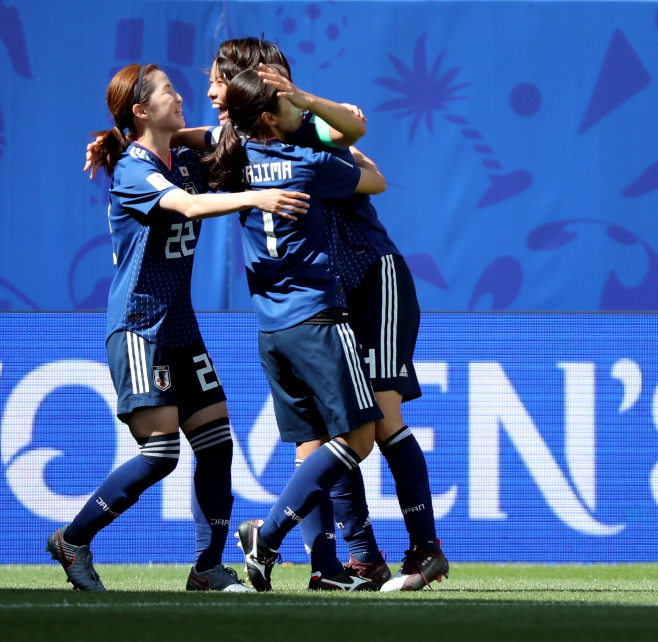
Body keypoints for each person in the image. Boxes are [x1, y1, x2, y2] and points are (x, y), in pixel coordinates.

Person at [49, 63, 310, 593]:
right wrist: (255, 197)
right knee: (162, 452)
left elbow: (225, 139)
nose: (181, 95)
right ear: (141, 110)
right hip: (140, 327)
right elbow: (190, 206)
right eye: (168, 91)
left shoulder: (184, 159)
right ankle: (73, 539)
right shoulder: (133, 169)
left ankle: (207, 568)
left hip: (181, 329)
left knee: (216, 444)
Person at [257, 64, 450, 591]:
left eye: (216, 84)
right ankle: (358, 558)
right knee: (332, 431)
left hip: (376, 279)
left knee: (382, 421)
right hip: (330, 302)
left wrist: (310, 105)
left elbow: (367, 158)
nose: (209, 93)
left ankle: (426, 551)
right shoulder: (250, 147)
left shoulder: (312, 133)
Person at [204, 65, 387, 592]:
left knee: (311, 446)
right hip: (318, 320)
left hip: (270, 330)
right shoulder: (307, 162)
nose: (299, 113)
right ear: (268, 116)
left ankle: (326, 571)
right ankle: (270, 531)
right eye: (287, 105)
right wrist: (319, 124)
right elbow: (372, 176)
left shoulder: (232, 165)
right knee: (359, 437)